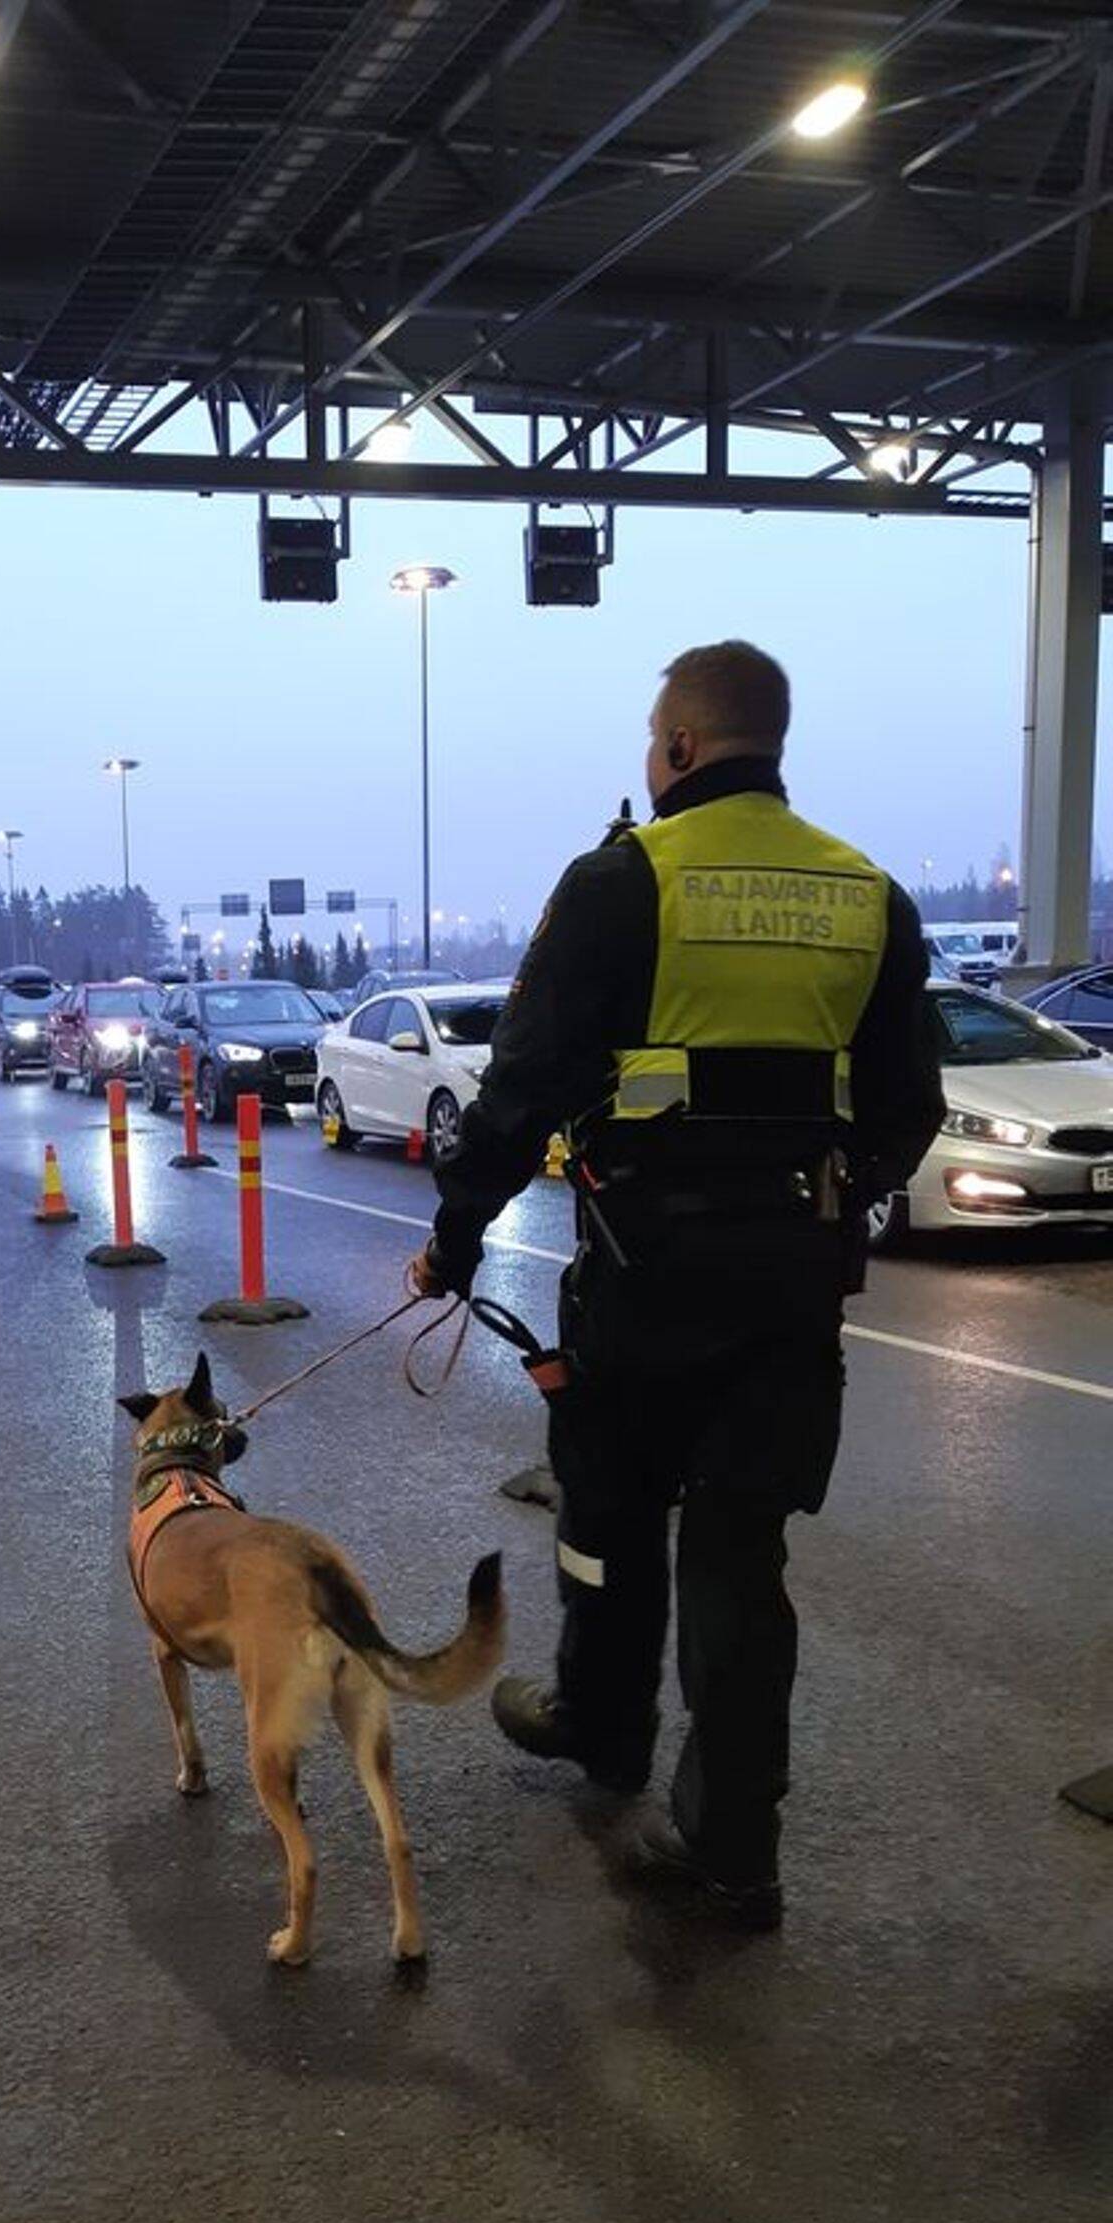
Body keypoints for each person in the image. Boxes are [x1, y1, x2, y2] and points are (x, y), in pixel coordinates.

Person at [407, 641, 943, 1928]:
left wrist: (458, 1236)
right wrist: (831, 1196)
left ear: (683, 746)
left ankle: (602, 1726)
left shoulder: (622, 881)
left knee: (606, 1515)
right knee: (741, 1558)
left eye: (656, 740)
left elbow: (521, 1085)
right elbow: (910, 1106)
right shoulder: (868, 894)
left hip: (645, 1281)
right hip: (791, 1292)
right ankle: (734, 1850)